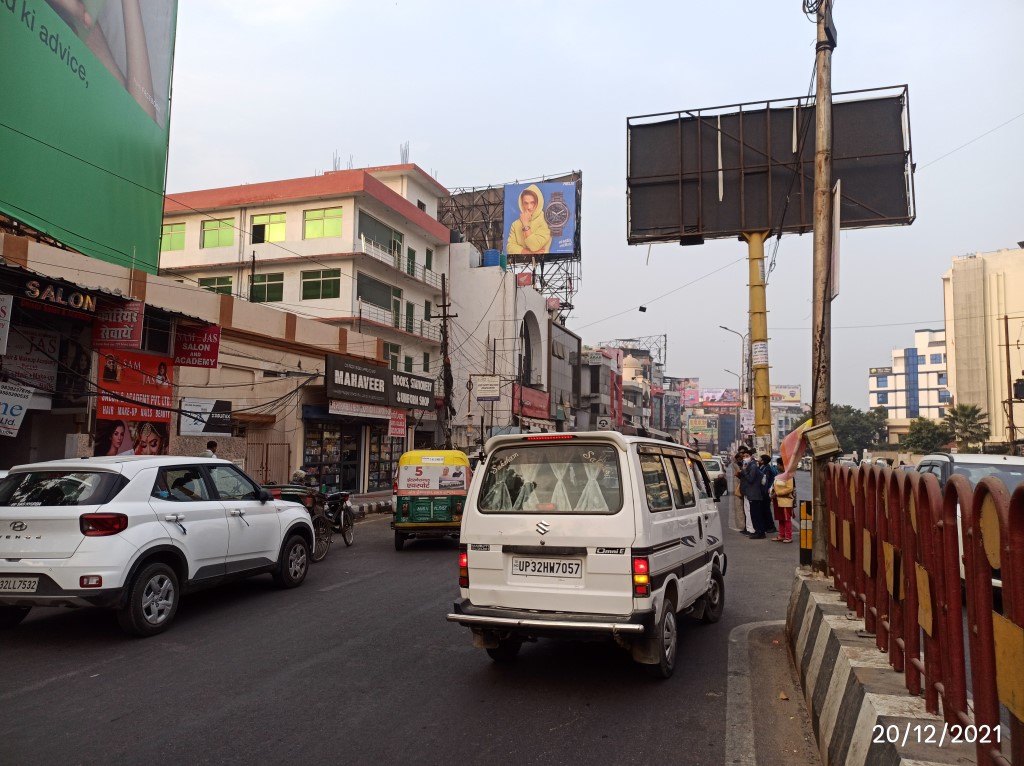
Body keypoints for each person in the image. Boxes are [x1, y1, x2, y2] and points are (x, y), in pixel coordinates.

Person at [506, 185, 552, 256]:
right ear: (522, 204)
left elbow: (534, 246)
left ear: (538, 203)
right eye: (526, 203)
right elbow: (509, 247)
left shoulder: (547, 219)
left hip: (543, 263)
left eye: (532, 203)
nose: (529, 207)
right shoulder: (515, 224)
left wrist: (525, 224)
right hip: (520, 264)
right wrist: (529, 253)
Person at [771, 457, 795, 543]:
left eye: (778, 464)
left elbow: (789, 488)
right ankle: (781, 535)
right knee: (780, 518)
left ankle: (788, 537)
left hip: (785, 501)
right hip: (777, 500)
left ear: (782, 465)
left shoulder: (789, 476)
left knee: (786, 519)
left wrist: (777, 493)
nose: (777, 466)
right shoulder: (778, 475)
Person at [759, 454, 779, 535]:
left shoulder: (766, 468)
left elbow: (765, 481)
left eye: (760, 458)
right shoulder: (763, 467)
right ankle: (767, 526)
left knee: (766, 510)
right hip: (764, 491)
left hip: (766, 492)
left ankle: (771, 527)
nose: (758, 459)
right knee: (764, 510)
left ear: (763, 460)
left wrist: (765, 491)